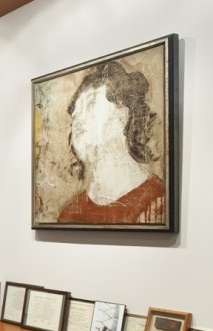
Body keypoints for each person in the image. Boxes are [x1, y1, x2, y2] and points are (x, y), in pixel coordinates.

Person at [58, 60, 164, 224]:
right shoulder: (68, 215)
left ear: (124, 113)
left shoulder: (158, 202)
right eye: (75, 112)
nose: (77, 119)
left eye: (91, 103)